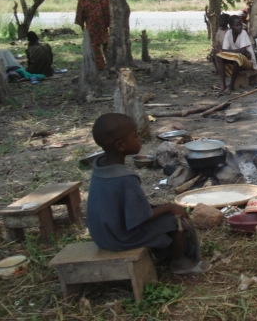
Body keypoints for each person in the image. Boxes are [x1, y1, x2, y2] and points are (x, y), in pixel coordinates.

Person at [86, 113, 209, 275]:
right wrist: (169, 207)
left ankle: (165, 253)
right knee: (175, 220)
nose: (139, 139)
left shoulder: (100, 166)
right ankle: (179, 262)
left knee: (162, 212)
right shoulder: (125, 178)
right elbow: (140, 218)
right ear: (121, 145)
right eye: (135, 136)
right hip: (118, 239)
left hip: (101, 235)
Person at [75, 0, 110, 71]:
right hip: (102, 22)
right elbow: (107, 7)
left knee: (95, 45)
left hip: (92, 23)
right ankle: (109, 63)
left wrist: (81, 23)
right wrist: (108, 22)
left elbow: (80, 8)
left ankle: (101, 66)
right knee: (105, 43)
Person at [216, 15, 257, 96]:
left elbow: (242, 52)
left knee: (237, 57)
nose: (240, 27)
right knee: (219, 56)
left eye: (240, 25)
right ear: (231, 26)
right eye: (237, 25)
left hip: (248, 62)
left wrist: (232, 51)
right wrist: (239, 51)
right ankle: (223, 86)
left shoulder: (243, 33)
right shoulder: (228, 33)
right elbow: (224, 51)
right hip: (236, 59)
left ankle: (231, 86)